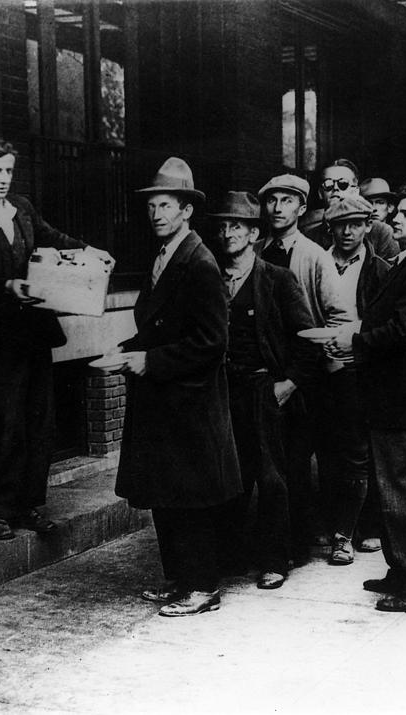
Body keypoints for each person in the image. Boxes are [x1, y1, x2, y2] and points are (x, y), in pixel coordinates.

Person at [0, 138, 113, 540]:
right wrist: (8, 286)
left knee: (40, 420)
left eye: (8, 171)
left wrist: (91, 250)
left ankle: (28, 506)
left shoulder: (21, 208)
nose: (3, 179)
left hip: (33, 333)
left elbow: (49, 235)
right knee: (7, 421)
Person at [115, 157, 241, 617]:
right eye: (152, 206)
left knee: (190, 497)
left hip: (190, 401)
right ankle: (179, 580)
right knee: (168, 493)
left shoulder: (199, 263)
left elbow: (212, 342)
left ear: (187, 209)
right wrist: (127, 349)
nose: (156, 214)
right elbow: (158, 327)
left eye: (166, 205)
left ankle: (202, 586)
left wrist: (148, 360)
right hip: (166, 399)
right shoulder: (166, 256)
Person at [328, 182, 406, 613]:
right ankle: (401, 571)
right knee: (393, 492)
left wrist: (353, 338)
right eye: (396, 212)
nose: (395, 218)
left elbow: (403, 331)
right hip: (394, 397)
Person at [209, 190, 316, 590]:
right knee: (229, 475)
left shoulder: (277, 279)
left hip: (264, 390)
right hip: (222, 391)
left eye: (236, 225)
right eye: (221, 226)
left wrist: (287, 384)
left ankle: (276, 559)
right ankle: (231, 556)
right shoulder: (212, 276)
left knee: (272, 479)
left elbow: (307, 338)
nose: (227, 233)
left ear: (254, 232)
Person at [258, 173, 349, 565]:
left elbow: (340, 315)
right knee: (269, 462)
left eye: (286, 200)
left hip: (307, 374)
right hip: (267, 371)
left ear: (301, 207)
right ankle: (273, 541)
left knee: (299, 460)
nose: (278, 208)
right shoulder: (257, 249)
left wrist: (317, 366)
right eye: (271, 200)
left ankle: (300, 542)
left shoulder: (315, 256)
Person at [317, 194, 389, 564]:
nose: (348, 231)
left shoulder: (379, 270)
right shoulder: (319, 262)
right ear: (330, 228)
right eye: (341, 225)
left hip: (359, 371)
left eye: (356, 224)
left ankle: (351, 531)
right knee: (327, 449)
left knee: (358, 452)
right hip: (320, 370)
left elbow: (383, 326)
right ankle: (332, 522)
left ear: (368, 226)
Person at [302, 159, 400, 262]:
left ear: (355, 191)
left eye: (343, 184)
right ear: (320, 193)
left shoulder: (380, 233)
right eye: (328, 184)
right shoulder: (309, 238)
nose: (335, 188)